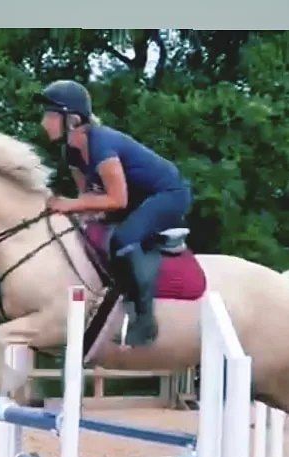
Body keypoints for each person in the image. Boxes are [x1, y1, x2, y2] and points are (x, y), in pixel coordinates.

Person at [35, 79, 192, 346]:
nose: (43, 122)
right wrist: (73, 212)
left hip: (167, 195)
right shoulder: (71, 152)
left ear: (72, 120)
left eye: (50, 115)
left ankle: (145, 322)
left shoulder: (102, 145)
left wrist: (70, 204)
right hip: (136, 199)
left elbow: (117, 199)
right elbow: (90, 197)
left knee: (123, 240)